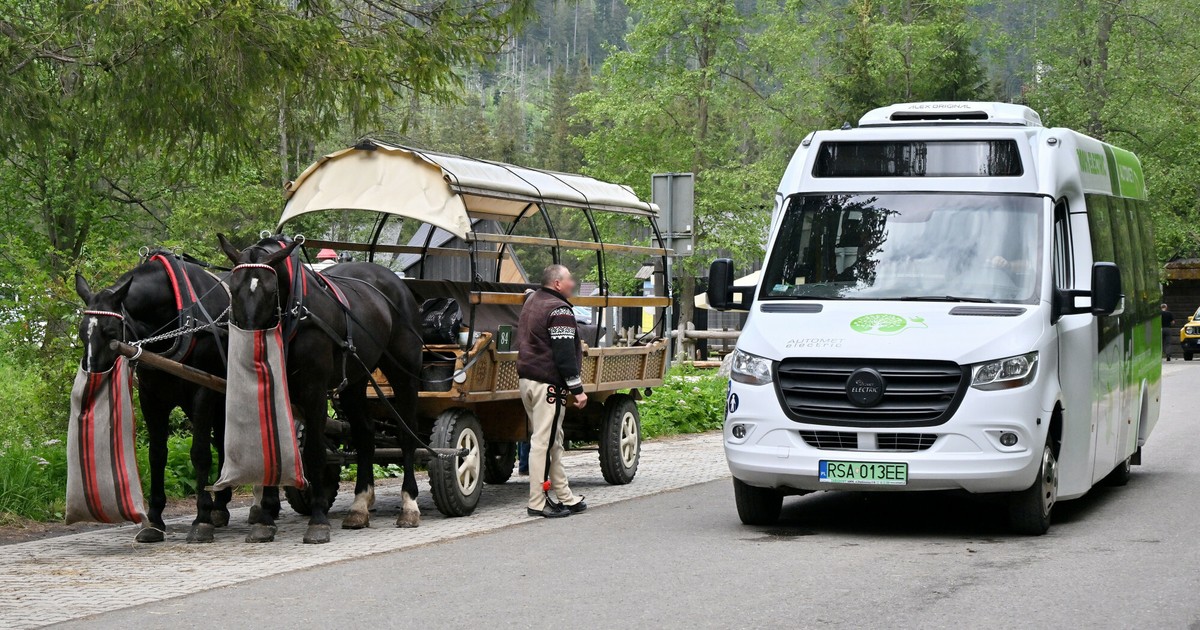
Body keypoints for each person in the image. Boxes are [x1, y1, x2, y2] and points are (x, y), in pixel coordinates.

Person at [517, 264, 588, 518]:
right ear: (557, 283)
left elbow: (530, 295)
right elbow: (565, 355)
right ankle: (537, 501)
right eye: (569, 279)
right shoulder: (560, 311)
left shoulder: (533, 300)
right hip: (548, 384)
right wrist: (577, 389)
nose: (573, 282)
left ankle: (565, 495)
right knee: (543, 444)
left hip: (527, 380)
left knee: (552, 441)